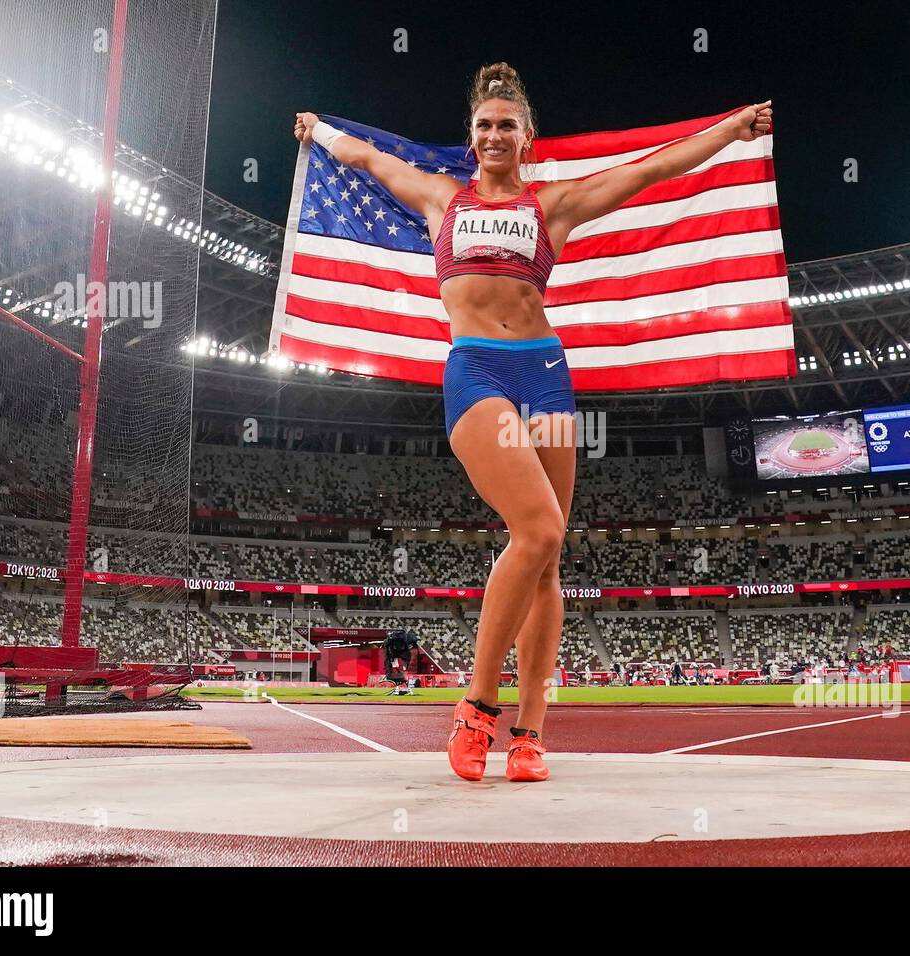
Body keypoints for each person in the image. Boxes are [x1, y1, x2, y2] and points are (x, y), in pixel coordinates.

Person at [296, 65, 770, 783]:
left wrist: (732, 129)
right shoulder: (438, 197)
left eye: (506, 126)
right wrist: (321, 131)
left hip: (545, 372)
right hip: (477, 371)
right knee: (539, 529)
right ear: (472, 137)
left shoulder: (554, 206)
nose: (493, 135)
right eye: (484, 125)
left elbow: (653, 170)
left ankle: (530, 735)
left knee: (549, 559)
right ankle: (476, 708)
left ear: (526, 138)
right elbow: (366, 157)